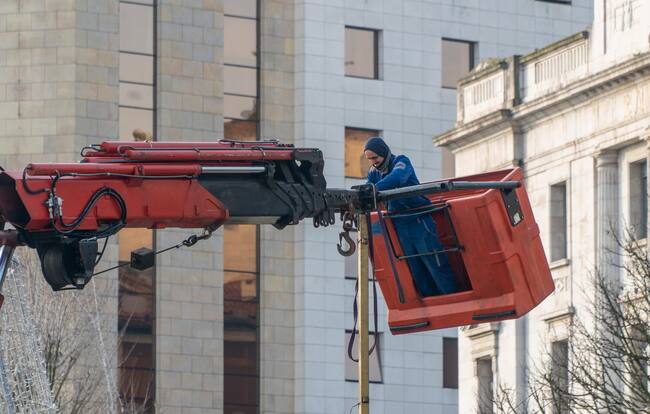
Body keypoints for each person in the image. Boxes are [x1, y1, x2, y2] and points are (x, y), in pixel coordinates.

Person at [364, 137, 458, 296]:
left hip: (418, 220)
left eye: (375, 158)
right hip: (400, 224)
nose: (373, 162)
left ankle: (450, 297)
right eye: (370, 159)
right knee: (415, 268)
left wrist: (373, 189)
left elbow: (396, 178)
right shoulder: (374, 173)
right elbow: (369, 186)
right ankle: (430, 302)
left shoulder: (401, 162)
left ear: (384, 153)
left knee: (434, 263)